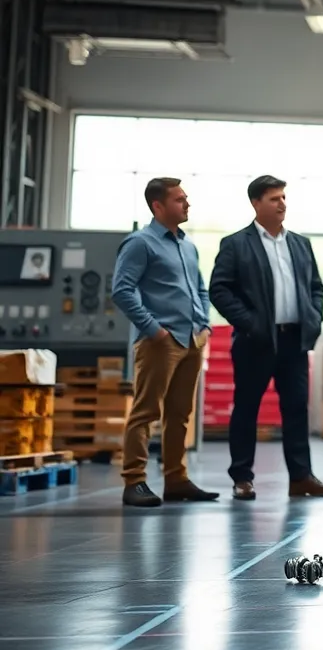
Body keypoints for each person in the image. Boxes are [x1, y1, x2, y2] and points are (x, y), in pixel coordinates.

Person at [208, 175, 323, 501]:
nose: (282, 203)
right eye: (274, 198)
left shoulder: (300, 244)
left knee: (296, 409)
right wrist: (250, 323)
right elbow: (219, 290)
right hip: (255, 341)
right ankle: (242, 478)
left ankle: (301, 477)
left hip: (295, 340)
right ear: (256, 203)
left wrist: (314, 317)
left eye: (283, 197)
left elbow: (316, 287)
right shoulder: (236, 244)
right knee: (247, 409)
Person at [111, 177, 220, 507]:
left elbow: (200, 289)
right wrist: (154, 329)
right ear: (158, 206)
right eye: (179, 199)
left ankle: (176, 479)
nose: (187, 204)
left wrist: (204, 324)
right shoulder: (140, 243)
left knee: (180, 413)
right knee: (145, 412)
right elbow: (122, 290)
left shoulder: (188, 246)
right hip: (160, 341)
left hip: (192, 340)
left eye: (186, 198)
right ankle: (134, 481)